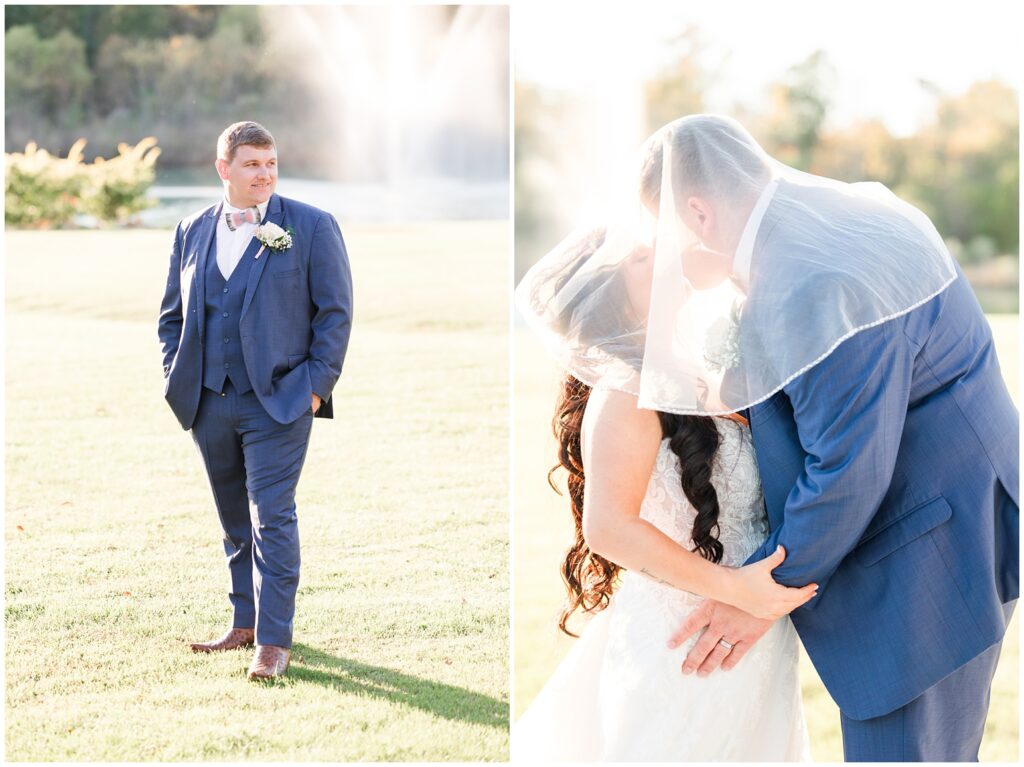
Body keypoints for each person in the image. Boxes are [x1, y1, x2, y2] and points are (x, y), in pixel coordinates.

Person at [513, 227, 815, 761]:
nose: (663, 250)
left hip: (755, 635)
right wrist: (735, 589)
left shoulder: (694, 371)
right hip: (683, 642)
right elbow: (608, 526)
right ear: (611, 291)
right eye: (638, 256)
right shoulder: (626, 390)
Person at [158, 121, 353, 680]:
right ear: (224, 169)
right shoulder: (190, 230)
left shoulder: (311, 226)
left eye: (270, 164)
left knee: (273, 517)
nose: (264, 174)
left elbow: (335, 315)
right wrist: (177, 377)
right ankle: (242, 622)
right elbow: (171, 316)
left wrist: (314, 388)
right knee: (231, 519)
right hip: (207, 403)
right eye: (251, 165)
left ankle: (273, 641)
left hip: (281, 403)